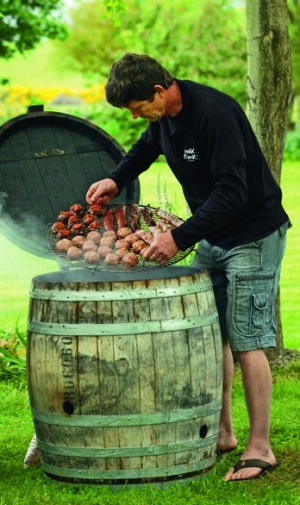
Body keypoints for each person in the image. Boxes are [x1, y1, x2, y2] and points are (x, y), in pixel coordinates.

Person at [86, 53, 291, 482]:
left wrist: (179, 237)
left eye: (138, 107)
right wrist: (116, 178)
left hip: (251, 236)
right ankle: (223, 434)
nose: (136, 115)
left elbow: (233, 191)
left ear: (160, 91)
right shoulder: (165, 117)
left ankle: (261, 449)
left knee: (247, 340)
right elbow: (147, 146)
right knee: (210, 334)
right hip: (214, 237)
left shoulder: (214, 114)